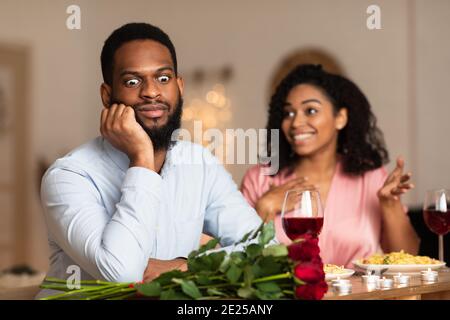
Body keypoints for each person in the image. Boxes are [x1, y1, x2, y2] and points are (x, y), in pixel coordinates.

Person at [38, 22, 262, 295]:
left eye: (163, 78)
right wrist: (142, 158)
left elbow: (260, 247)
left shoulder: (199, 164)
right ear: (107, 96)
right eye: (133, 81)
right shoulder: (68, 177)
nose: (152, 92)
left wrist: (184, 266)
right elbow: (123, 272)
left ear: (179, 86)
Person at [241, 64, 420, 268]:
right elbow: (238, 263)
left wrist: (390, 205)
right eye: (288, 114)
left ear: (340, 118)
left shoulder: (370, 177)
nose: (296, 122)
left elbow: (408, 256)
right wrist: (264, 208)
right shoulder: (259, 179)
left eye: (310, 110)